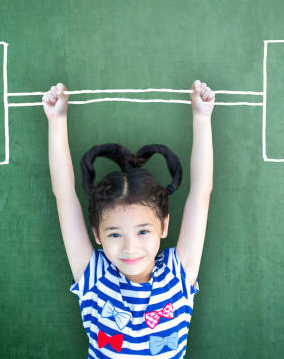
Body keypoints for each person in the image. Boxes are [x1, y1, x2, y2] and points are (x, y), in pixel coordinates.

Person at [43, 80, 214, 358]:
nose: (130, 247)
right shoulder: (95, 277)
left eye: (143, 231)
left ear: (164, 226)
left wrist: (202, 118)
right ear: (97, 235)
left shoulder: (178, 274)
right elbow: (63, 195)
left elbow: (201, 194)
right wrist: (57, 120)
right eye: (114, 234)